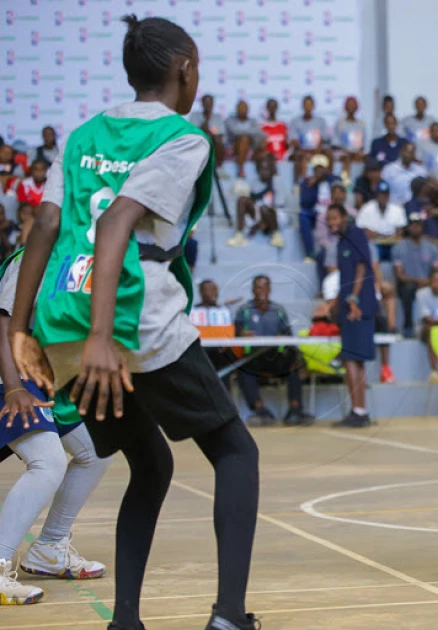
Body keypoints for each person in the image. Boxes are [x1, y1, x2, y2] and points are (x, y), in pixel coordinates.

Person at [10, 16, 260, 630]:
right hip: (128, 319)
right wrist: (104, 338)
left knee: (151, 463)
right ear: (185, 69)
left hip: (60, 317)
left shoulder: (82, 134)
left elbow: (43, 226)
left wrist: (21, 332)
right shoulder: (182, 139)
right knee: (236, 452)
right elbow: (116, 221)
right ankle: (229, 618)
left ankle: (124, 620)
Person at [0, 252, 109, 605]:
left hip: (46, 377)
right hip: (12, 374)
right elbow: (3, 324)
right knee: (48, 463)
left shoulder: (90, 256)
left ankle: (48, 548)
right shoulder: (36, 256)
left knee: (98, 449)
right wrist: (14, 387)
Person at [234, 276, 314, 427]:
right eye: (258, 287)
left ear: (269, 290)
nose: (262, 290)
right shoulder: (243, 311)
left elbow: (288, 335)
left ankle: (295, 410)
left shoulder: (278, 310)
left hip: (276, 358)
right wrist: (241, 334)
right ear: (253, 290)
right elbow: (235, 334)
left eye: (265, 287)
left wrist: (281, 337)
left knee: (294, 365)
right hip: (254, 358)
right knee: (244, 370)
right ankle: (260, 410)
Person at [326, 204, 379, 428]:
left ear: (345, 217)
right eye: (329, 219)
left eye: (335, 218)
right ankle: (360, 411)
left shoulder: (356, 234)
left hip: (359, 308)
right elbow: (345, 278)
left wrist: (354, 300)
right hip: (348, 307)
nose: (331, 223)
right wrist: (334, 304)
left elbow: (361, 269)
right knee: (352, 359)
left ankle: (359, 411)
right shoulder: (340, 242)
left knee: (351, 359)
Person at [392, 213, 438, 338]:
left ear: (422, 226)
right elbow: (400, 275)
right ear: (408, 227)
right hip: (408, 284)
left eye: (418, 225)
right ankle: (408, 327)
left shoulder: (432, 248)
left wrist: (428, 281)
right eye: (413, 225)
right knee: (408, 290)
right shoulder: (399, 247)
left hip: (428, 283)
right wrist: (419, 281)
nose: (415, 228)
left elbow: (437, 271)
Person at [227, 154, 285, 248]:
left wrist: (262, 223)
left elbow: (279, 205)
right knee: (242, 199)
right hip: (259, 214)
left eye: (266, 169)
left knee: (264, 208)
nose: (264, 171)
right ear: (258, 170)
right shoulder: (255, 182)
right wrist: (258, 222)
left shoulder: (276, 181)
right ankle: (239, 235)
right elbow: (253, 203)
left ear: (271, 170)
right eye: (262, 168)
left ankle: (276, 235)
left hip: (275, 215)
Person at [298, 152, 341, 262]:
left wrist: (326, 177)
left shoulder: (333, 179)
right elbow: (304, 203)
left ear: (326, 169)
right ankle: (310, 253)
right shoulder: (307, 182)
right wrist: (314, 185)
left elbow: (340, 191)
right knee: (302, 215)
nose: (319, 171)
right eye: (316, 168)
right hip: (316, 213)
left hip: (332, 211)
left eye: (321, 168)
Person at [289, 95, 331, 183]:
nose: (308, 107)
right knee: (298, 156)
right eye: (306, 104)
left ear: (313, 106)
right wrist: (305, 151)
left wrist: (316, 150)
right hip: (302, 151)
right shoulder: (295, 121)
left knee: (329, 153)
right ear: (302, 106)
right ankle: (298, 184)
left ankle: (329, 181)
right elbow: (294, 141)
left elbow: (324, 139)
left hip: (317, 150)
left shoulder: (320, 121)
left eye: (310, 104)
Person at [224, 99, 262, 178]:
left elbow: (256, 132)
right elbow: (234, 131)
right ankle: (241, 169)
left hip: (250, 147)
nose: (242, 110)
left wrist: (244, 134)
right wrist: (247, 133)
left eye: (244, 108)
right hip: (233, 147)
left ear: (248, 109)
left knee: (258, 140)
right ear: (236, 109)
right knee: (243, 139)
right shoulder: (230, 120)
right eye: (240, 108)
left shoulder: (253, 121)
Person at [188, 94, 225, 166]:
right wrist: (206, 119)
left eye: (209, 103)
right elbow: (192, 132)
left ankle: (218, 167)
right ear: (202, 104)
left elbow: (220, 133)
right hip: (198, 140)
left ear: (213, 104)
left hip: (214, 141)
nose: (208, 105)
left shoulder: (217, 118)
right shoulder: (195, 115)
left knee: (216, 141)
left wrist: (210, 133)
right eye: (206, 103)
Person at [334, 96, 366, 168]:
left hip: (357, 153)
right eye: (349, 105)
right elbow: (335, 143)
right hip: (343, 153)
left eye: (353, 105)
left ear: (356, 107)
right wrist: (347, 152)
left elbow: (363, 144)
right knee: (345, 158)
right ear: (345, 106)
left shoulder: (361, 124)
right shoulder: (339, 123)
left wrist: (356, 152)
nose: (351, 107)